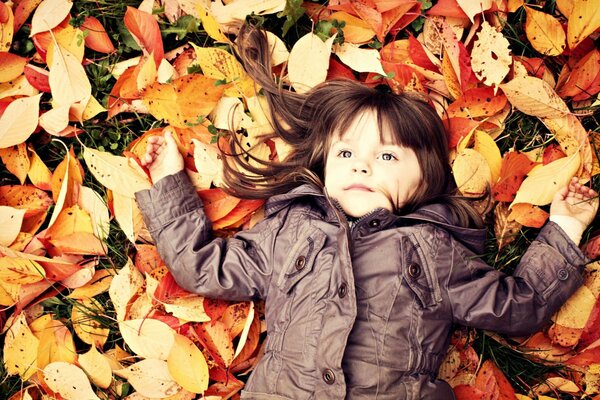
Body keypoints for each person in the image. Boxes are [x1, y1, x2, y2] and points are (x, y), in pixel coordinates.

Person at [134, 26, 598, 399]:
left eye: (388, 157)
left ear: (425, 180)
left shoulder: (434, 251)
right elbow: (202, 267)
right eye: (346, 154)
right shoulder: (291, 231)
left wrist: (565, 228)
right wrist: (170, 183)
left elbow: (519, 307)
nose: (361, 164)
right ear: (323, 164)